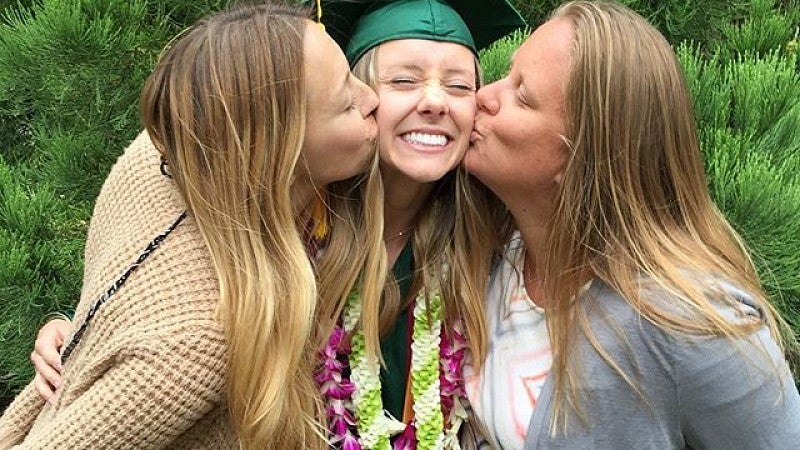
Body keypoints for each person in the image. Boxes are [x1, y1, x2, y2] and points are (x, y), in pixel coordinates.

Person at [0, 2, 384, 449]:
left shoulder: (171, 149)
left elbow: (125, 286)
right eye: (345, 104)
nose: (371, 97)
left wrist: (80, 333)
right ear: (279, 150)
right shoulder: (200, 345)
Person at [459, 1, 800, 448]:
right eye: (507, 74)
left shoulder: (686, 324)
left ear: (580, 156)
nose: (484, 95)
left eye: (522, 95)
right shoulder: (495, 256)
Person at [308, 1, 525, 447]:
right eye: (403, 81)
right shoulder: (296, 229)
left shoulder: (493, 241)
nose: (434, 101)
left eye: (459, 85)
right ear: (359, 97)